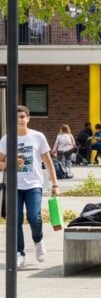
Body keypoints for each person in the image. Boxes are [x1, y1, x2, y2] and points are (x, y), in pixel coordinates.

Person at [0, 106, 61, 269]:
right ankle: (19, 253)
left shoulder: (37, 137)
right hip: (14, 186)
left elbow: (47, 161)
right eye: (17, 117)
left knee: (34, 217)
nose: (20, 119)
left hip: (34, 183)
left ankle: (38, 240)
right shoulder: (7, 139)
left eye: (22, 116)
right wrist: (10, 163)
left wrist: (55, 184)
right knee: (16, 220)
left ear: (28, 118)